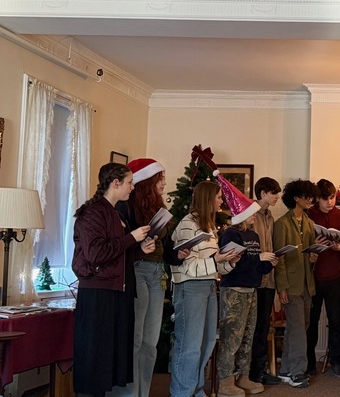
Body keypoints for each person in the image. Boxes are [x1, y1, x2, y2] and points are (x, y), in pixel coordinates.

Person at [72, 163, 153, 397]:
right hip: (98, 293)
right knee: (95, 358)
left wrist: (140, 249)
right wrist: (131, 238)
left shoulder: (115, 212)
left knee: (108, 358)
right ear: (115, 183)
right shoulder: (93, 212)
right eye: (129, 182)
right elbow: (95, 254)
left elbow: (117, 254)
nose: (132, 187)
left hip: (116, 291)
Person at [170, 181, 240, 397]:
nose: (221, 201)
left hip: (209, 286)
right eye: (218, 197)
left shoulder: (208, 226)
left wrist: (228, 261)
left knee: (206, 342)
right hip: (190, 288)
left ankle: (196, 390)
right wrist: (215, 260)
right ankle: (182, 392)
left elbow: (212, 263)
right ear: (207, 199)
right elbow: (184, 265)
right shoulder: (187, 224)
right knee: (189, 344)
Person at [216, 177, 278, 397]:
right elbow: (233, 263)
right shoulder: (231, 234)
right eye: (251, 212)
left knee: (247, 336)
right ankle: (225, 380)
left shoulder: (252, 235)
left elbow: (255, 266)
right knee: (231, 337)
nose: (255, 215)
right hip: (234, 291)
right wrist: (257, 259)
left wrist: (267, 264)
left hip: (252, 290)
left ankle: (242, 375)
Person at [111, 158, 167, 397]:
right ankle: (128, 394)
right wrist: (139, 244)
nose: (164, 183)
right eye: (160, 179)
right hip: (137, 270)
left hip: (157, 273)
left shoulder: (157, 208)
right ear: (147, 182)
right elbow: (121, 244)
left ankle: (142, 392)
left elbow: (166, 245)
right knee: (135, 339)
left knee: (150, 343)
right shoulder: (125, 207)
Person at [273, 180, 319, 388]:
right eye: (306, 196)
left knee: (300, 327)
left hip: (307, 283)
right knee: (299, 329)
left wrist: (314, 258)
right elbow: (279, 257)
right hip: (291, 285)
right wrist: (282, 287)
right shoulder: (281, 224)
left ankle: (285, 370)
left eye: (311, 196)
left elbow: (310, 252)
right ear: (295, 198)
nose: (311, 200)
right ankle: (298, 372)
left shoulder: (309, 222)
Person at [306, 179, 340, 378]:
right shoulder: (308, 215)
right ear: (317, 199)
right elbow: (301, 246)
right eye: (325, 199)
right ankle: (308, 363)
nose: (329, 202)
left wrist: (339, 247)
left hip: (337, 275)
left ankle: (337, 362)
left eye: (332, 197)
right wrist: (314, 243)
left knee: (336, 321)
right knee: (311, 321)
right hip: (314, 276)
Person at [248, 177, 283, 386]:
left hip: (268, 278)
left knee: (263, 327)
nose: (277, 197)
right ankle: (250, 372)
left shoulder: (270, 216)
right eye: (273, 193)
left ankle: (259, 370)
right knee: (252, 327)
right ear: (262, 193)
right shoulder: (250, 213)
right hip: (254, 278)